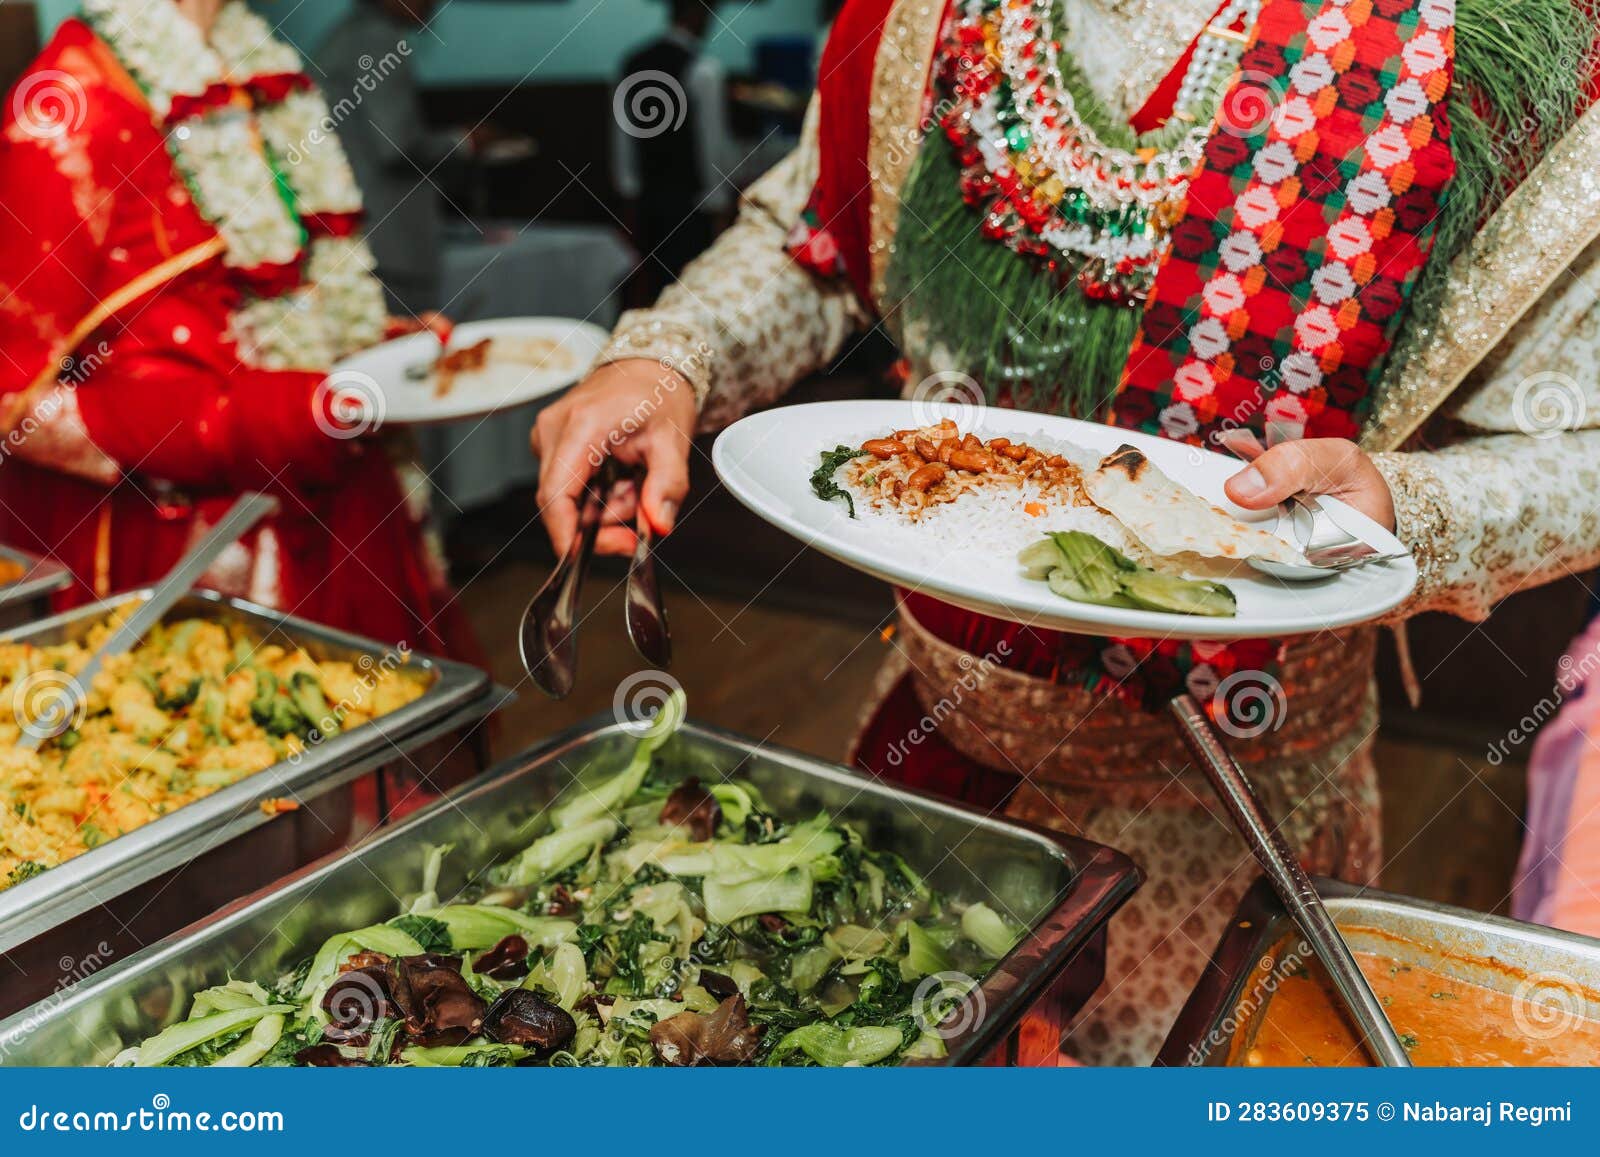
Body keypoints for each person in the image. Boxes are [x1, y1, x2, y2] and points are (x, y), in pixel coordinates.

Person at [535, 0, 1600, 1063]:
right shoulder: (923, 15)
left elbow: (1584, 442)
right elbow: (813, 244)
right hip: (933, 740)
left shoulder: (1482, 39)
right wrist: (669, 355)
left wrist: (1406, 508)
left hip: (1232, 794)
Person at [0, 0, 476, 662]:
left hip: (334, 506)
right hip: (179, 563)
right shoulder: (71, 103)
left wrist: (373, 348)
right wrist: (236, 420)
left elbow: (259, 303)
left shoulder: (257, 64)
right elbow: (14, 401)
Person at [613, 0, 738, 285]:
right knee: (694, 284)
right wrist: (718, 202)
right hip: (691, 205)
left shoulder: (631, 62)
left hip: (648, 202)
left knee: (657, 283)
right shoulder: (704, 69)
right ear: (698, 15)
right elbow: (712, 143)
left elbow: (622, 138)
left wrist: (628, 192)